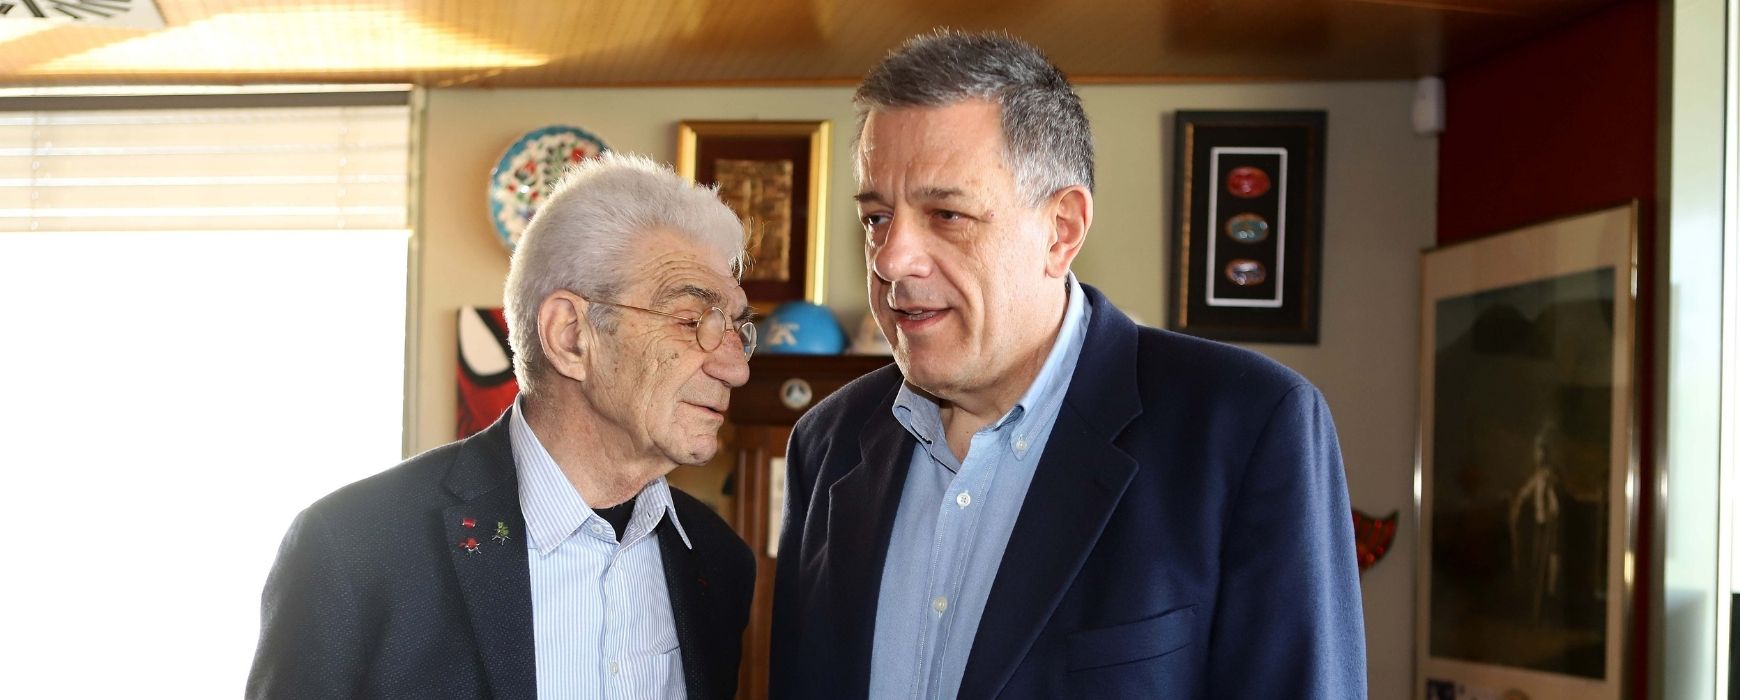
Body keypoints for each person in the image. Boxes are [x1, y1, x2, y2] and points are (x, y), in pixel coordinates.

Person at [770, 31, 1366, 698]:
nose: (890, 259)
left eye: (946, 214)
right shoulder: (825, 445)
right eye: (878, 218)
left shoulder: (1247, 427)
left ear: (1061, 231)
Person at [249, 153, 758, 699]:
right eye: (692, 321)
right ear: (570, 336)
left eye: (737, 328)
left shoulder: (719, 561)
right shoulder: (352, 547)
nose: (736, 368)